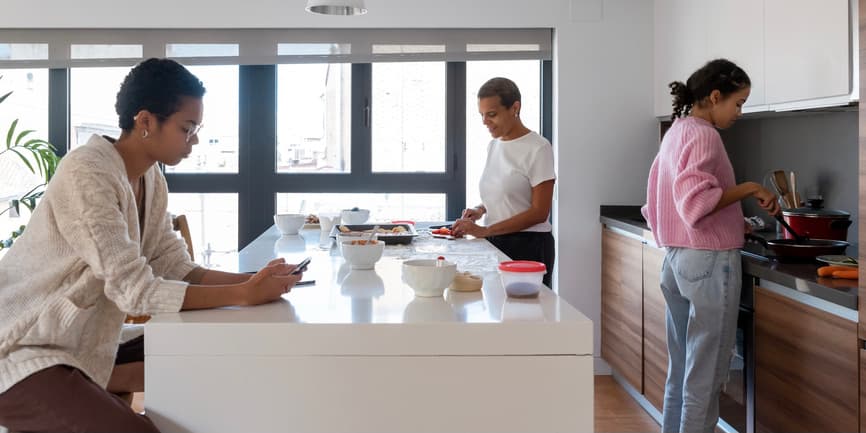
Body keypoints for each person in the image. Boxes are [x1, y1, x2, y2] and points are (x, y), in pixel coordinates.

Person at [0, 58, 305, 433]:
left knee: (209, 350)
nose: (193, 141)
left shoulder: (151, 180)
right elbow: (135, 291)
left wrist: (254, 280)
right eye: (187, 128)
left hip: (81, 339)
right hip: (22, 348)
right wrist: (244, 293)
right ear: (145, 121)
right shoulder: (87, 172)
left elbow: (172, 264)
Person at [642, 59, 780, 433]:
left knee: (682, 369)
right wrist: (751, 188)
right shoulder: (705, 135)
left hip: (675, 261)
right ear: (715, 96)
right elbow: (696, 203)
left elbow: (657, 199)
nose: (740, 112)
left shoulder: (676, 132)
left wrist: (734, 220)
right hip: (708, 262)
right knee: (705, 374)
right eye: (738, 103)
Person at [451, 77, 556, 287]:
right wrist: (481, 210)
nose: (485, 122)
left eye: (492, 114)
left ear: (515, 108)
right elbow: (507, 194)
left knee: (526, 316)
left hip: (528, 245)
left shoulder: (538, 148)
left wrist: (484, 231)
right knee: (497, 313)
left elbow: (539, 212)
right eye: (481, 115)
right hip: (496, 242)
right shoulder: (493, 146)